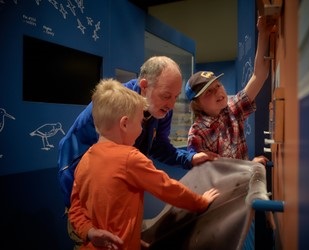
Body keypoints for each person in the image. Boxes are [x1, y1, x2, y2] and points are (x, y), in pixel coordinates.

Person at [68, 79, 220, 249]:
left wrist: (90, 232)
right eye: (140, 122)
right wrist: (201, 202)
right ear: (124, 124)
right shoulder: (130, 158)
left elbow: (75, 209)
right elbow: (169, 189)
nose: (142, 130)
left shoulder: (84, 161)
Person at [58, 56, 217, 209]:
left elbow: (159, 146)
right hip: (91, 197)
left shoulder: (161, 111)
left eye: (175, 97)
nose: (171, 105)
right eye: (166, 96)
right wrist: (76, 209)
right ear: (144, 86)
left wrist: (190, 158)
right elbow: (71, 151)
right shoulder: (110, 104)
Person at [185, 16, 275, 165]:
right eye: (208, 92)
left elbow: (259, 75)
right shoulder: (197, 133)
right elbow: (209, 176)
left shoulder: (232, 109)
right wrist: (250, 167)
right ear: (197, 104)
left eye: (218, 86)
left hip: (244, 183)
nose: (217, 92)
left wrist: (263, 34)